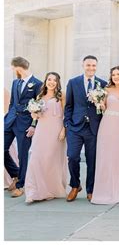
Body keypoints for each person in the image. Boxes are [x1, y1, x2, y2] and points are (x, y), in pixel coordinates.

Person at [64, 55, 107, 201]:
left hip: (93, 128)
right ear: (83, 65)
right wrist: (68, 124)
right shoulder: (73, 82)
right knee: (73, 157)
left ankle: (91, 189)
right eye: (88, 65)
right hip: (75, 127)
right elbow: (69, 105)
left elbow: (105, 107)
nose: (91, 68)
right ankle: (75, 185)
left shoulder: (103, 84)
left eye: (94, 65)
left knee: (92, 160)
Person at [91, 66, 119, 204]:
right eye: (113, 74)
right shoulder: (106, 90)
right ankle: (105, 190)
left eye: (118, 74)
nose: (116, 76)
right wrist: (99, 103)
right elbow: (103, 108)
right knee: (106, 157)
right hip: (107, 126)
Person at [24, 72, 67, 203]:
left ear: (58, 82)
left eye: (54, 80)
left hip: (56, 131)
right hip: (41, 130)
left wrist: (63, 131)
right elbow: (36, 116)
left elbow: (66, 115)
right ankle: (33, 191)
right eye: (49, 79)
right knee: (35, 158)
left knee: (51, 161)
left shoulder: (62, 96)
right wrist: (34, 115)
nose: (51, 82)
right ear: (45, 81)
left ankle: (50, 190)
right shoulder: (40, 96)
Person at [4, 56, 42, 197]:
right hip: (10, 122)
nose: (13, 70)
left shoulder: (38, 84)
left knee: (22, 155)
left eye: (13, 68)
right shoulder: (15, 83)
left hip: (25, 125)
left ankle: (21, 185)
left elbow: (38, 107)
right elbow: (12, 103)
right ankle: (15, 174)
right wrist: (7, 118)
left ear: (18, 68)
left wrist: (33, 125)